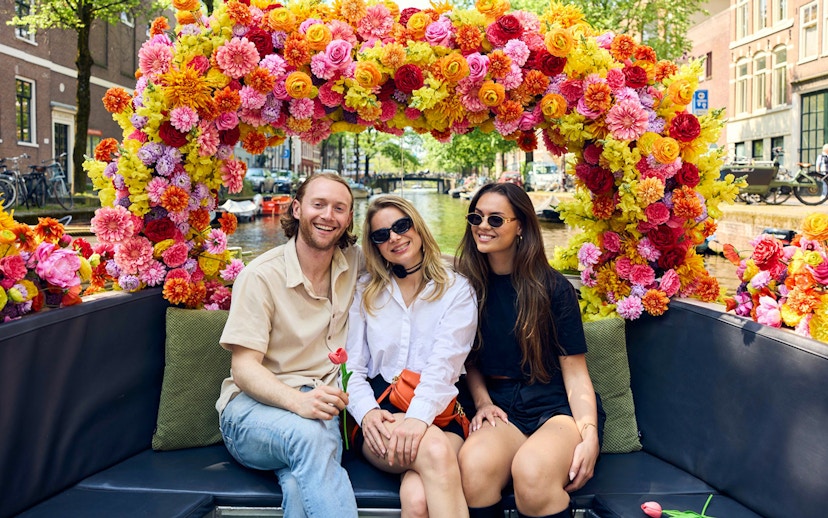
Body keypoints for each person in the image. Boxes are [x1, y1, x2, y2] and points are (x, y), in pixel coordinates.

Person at [216, 172, 362, 517]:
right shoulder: (261, 276)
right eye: (319, 204)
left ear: (349, 218)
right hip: (252, 413)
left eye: (339, 208)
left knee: (300, 483)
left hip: (320, 413)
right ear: (297, 209)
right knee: (312, 436)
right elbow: (244, 367)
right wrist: (300, 402)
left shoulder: (356, 262)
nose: (329, 215)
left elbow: (417, 260)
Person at [455, 183, 604, 518]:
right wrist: (483, 402)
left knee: (533, 473)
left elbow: (577, 376)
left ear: (520, 225)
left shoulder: (553, 288)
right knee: (473, 468)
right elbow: (467, 360)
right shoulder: (465, 287)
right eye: (476, 217)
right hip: (499, 406)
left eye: (495, 220)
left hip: (555, 406)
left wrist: (589, 435)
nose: (483, 226)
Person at [346, 195, 477, 518]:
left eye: (401, 226)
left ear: (417, 228)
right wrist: (366, 414)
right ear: (374, 245)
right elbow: (350, 368)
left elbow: (444, 367)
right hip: (382, 411)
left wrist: (418, 418)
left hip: (442, 409)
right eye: (381, 235)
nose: (394, 237)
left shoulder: (458, 290)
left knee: (417, 499)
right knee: (433, 450)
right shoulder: (364, 290)